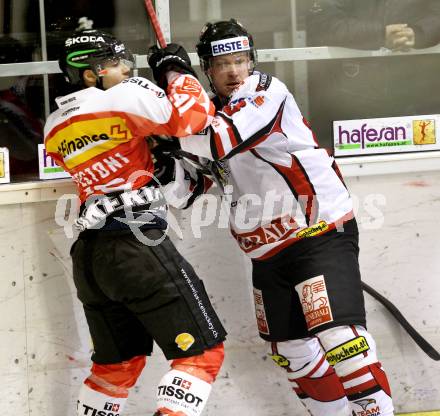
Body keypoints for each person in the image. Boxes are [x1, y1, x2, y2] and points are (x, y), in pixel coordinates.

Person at [159, 19, 395, 415]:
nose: (234, 71)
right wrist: (161, 158)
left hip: (316, 235)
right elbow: (184, 193)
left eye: (241, 59)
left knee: (343, 341)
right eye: (222, 64)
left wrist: (172, 82)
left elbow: (220, 141)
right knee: (293, 352)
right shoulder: (203, 116)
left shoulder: (266, 93)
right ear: (208, 69)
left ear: (252, 60)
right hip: (266, 253)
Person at [43, 29, 226, 416]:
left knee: (116, 366)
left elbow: (115, 147)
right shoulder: (121, 96)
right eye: (116, 63)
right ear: (91, 74)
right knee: (203, 353)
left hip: (90, 257)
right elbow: (192, 117)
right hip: (135, 243)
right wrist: (176, 71)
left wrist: (150, 146)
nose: (126, 70)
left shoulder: (54, 125)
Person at [305, 0, 440, 149]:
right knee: (353, 164)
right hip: (350, 100)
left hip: (415, 97)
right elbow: (322, 24)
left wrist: (419, 33)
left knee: (418, 162)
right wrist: (380, 34)